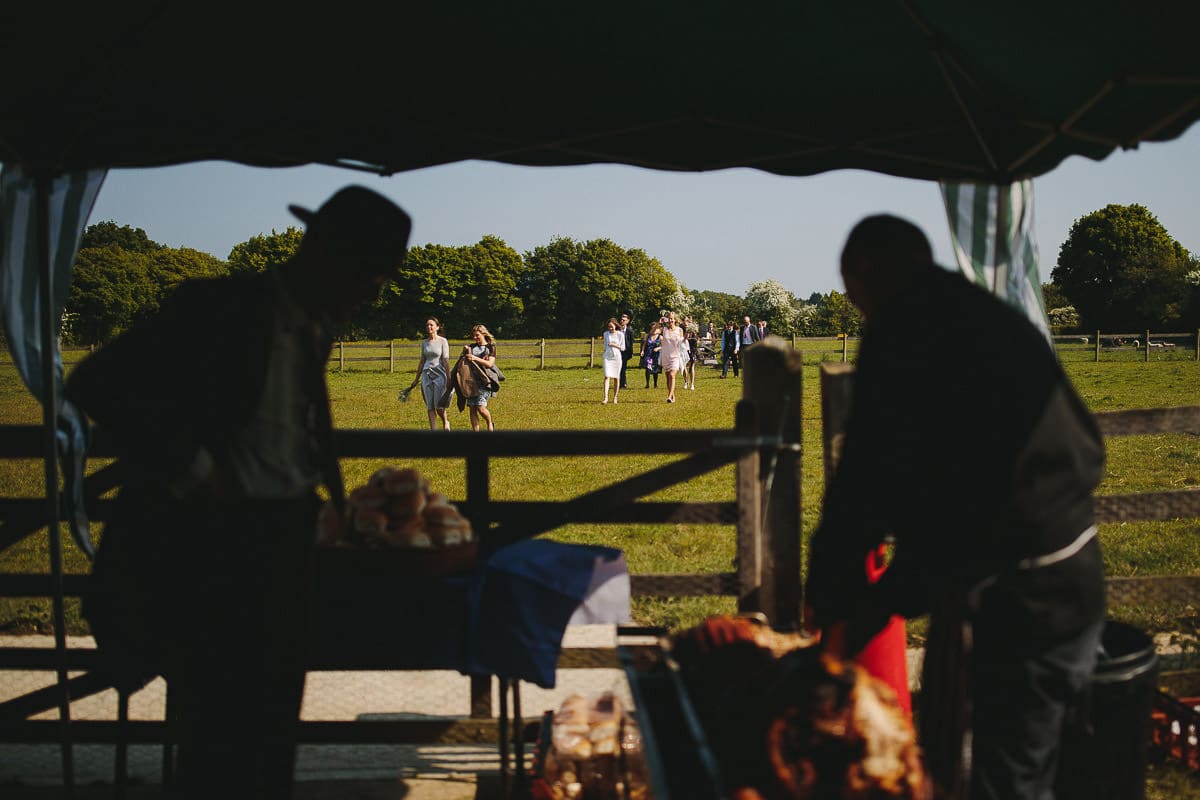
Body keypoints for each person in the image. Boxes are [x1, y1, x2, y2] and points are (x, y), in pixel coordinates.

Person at [63, 185, 413, 799]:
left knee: (274, 726)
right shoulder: (218, 307)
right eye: (371, 280)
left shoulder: (315, 325)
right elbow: (96, 382)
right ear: (329, 256)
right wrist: (199, 468)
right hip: (215, 546)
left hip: (286, 545)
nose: (370, 298)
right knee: (217, 731)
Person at [804, 214, 1106, 800]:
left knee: (989, 779)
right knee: (1028, 768)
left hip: (1014, 595)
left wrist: (830, 595)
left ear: (864, 271)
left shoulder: (905, 325)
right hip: (1072, 576)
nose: (855, 306)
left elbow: (865, 480)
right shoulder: (984, 314)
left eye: (850, 289)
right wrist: (887, 595)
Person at [404, 317, 451, 430]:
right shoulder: (424, 342)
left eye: (431, 325)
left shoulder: (443, 341)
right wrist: (416, 379)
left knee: (439, 406)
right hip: (426, 375)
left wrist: (449, 378)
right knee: (430, 405)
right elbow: (422, 361)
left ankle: (445, 422)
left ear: (437, 327)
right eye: (427, 325)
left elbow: (445, 360)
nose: (429, 327)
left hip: (440, 375)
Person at [464, 323, 498, 430]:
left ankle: (489, 423)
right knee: (472, 408)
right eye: (473, 335)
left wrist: (475, 358)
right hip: (471, 381)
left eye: (477, 335)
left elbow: (490, 364)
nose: (475, 337)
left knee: (480, 407)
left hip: (485, 381)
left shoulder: (491, 347)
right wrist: (465, 351)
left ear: (484, 334)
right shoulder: (471, 347)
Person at [659, 311, 686, 403]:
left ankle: (669, 396)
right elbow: (653, 332)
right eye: (669, 318)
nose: (670, 320)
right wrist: (659, 322)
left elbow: (682, 342)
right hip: (666, 355)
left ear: (675, 320)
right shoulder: (664, 330)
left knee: (672, 375)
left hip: (675, 356)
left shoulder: (679, 330)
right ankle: (672, 395)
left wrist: (685, 338)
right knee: (667, 377)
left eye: (672, 319)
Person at [601, 317, 624, 404]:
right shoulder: (605, 334)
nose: (610, 328)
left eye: (612, 327)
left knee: (616, 377)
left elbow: (623, 348)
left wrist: (614, 345)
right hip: (607, 357)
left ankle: (615, 397)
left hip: (617, 357)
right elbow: (605, 345)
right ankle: (605, 397)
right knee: (607, 376)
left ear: (615, 326)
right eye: (609, 327)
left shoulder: (620, 334)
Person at [641, 323, 663, 388]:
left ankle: (655, 384)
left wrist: (658, 348)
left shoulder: (660, 337)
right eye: (653, 328)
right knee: (648, 368)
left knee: (655, 369)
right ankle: (647, 383)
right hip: (648, 354)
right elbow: (644, 344)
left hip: (656, 354)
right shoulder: (648, 336)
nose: (654, 330)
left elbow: (663, 346)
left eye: (655, 328)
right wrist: (642, 351)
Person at [682, 316, 699, 390]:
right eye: (684, 321)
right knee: (683, 366)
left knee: (692, 367)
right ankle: (686, 382)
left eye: (687, 321)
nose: (685, 323)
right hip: (683, 349)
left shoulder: (693, 330)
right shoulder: (681, 330)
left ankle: (692, 384)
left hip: (692, 349)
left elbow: (696, 340)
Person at [618, 311, 634, 390]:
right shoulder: (617, 330)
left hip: (625, 352)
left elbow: (631, 343)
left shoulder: (630, 331)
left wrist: (630, 353)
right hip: (618, 351)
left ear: (628, 321)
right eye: (621, 320)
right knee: (618, 368)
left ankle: (623, 384)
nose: (622, 321)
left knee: (623, 368)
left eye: (624, 320)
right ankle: (619, 383)